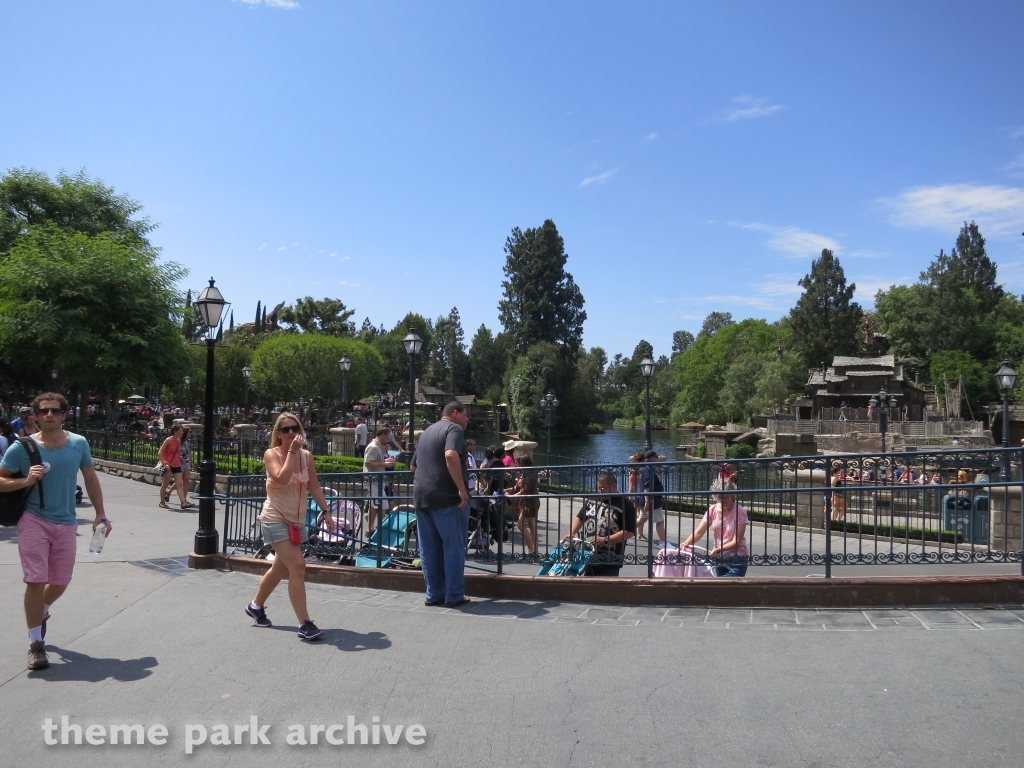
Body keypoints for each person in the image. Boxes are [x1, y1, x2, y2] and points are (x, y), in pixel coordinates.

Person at [0, 392, 110, 671]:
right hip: (33, 520)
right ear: (35, 416)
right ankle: (36, 644)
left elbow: (90, 477)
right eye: (44, 411)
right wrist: (25, 480)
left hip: (67, 522)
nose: (49, 415)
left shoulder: (78, 443)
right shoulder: (21, 448)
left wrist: (100, 513)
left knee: (60, 581)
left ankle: (42, 611)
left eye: (55, 411)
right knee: (36, 580)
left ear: (64, 414)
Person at [245, 411, 334, 641]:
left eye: (295, 428)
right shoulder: (271, 454)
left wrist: (326, 512)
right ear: (278, 433)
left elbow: (314, 487)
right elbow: (282, 479)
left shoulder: (307, 456)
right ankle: (305, 624)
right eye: (286, 429)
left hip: (297, 521)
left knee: (280, 568)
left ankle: (255, 606)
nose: (292, 433)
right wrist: (292, 452)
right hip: (275, 518)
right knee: (298, 566)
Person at [410, 401, 472, 608]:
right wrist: (461, 488)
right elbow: (450, 455)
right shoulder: (454, 429)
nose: (468, 419)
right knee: (453, 546)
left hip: (421, 496)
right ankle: (454, 594)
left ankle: (434, 594)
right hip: (446, 498)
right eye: (466, 415)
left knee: (428, 548)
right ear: (455, 413)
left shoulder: (427, 431)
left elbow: (413, 465)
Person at [563, 469, 637, 576]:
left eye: (604, 488)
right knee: (588, 588)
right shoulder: (593, 498)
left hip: (611, 559)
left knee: (606, 591)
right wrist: (572, 532)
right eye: (599, 488)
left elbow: (629, 532)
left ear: (613, 486)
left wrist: (606, 540)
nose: (601, 491)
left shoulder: (626, 504)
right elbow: (580, 517)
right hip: (589, 554)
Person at [681, 473, 749, 577]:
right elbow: (699, 532)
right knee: (721, 588)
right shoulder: (712, 510)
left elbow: (737, 541)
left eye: (726, 497)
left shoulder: (740, 512)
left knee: (726, 586)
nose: (723, 500)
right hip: (719, 558)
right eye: (720, 497)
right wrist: (686, 543)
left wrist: (718, 549)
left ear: (732, 495)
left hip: (737, 558)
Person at [362, 427, 396, 535]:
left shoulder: (378, 446)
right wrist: (384, 463)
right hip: (372, 480)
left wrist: (386, 460)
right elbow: (368, 463)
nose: (388, 438)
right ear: (382, 435)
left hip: (378, 481)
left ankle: (373, 529)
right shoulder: (373, 447)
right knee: (378, 505)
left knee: (380, 505)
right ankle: (374, 529)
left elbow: (376, 461)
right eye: (387, 436)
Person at [508, 454, 540, 557]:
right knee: (532, 525)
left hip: (530, 503)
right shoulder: (525, 473)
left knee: (520, 524)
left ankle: (531, 548)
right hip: (528, 502)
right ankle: (535, 550)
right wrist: (505, 490)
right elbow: (518, 487)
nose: (516, 464)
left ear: (523, 463)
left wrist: (514, 496)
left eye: (518, 462)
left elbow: (525, 490)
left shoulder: (529, 474)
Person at [158, 424, 192, 509]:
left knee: (179, 484)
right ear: (175, 431)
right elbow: (160, 452)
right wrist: (164, 463)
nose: (182, 432)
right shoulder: (168, 440)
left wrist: (180, 457)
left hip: (177, 464)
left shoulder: (178, 441)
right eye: (180, 431)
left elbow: (177, 453)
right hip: (168, 465)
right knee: (165, 484)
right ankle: (162, 502)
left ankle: (183, 503)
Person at [640, 449, 668, 544]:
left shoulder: (648, 468)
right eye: (656, 457)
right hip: (652, 500)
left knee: (641, 519)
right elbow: (647, 487)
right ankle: (663, 543)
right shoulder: (649, 469)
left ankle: (623, 536)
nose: (657, 458)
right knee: (660, 521)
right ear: (652, 458)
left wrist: (661, 494)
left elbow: (654, 486)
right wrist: (648, 502)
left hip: (650, 498)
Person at [179, 426, 193, 496]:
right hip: (180, 462)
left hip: (186, 462)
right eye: (190, 432)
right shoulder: (179, 441)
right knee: (179, 482)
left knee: (186, 480)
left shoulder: (188, 441)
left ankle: (184, 499)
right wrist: (179, 456)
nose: (191, 434)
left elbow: (189, 453)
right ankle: (169, 492)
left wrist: (192, 463)